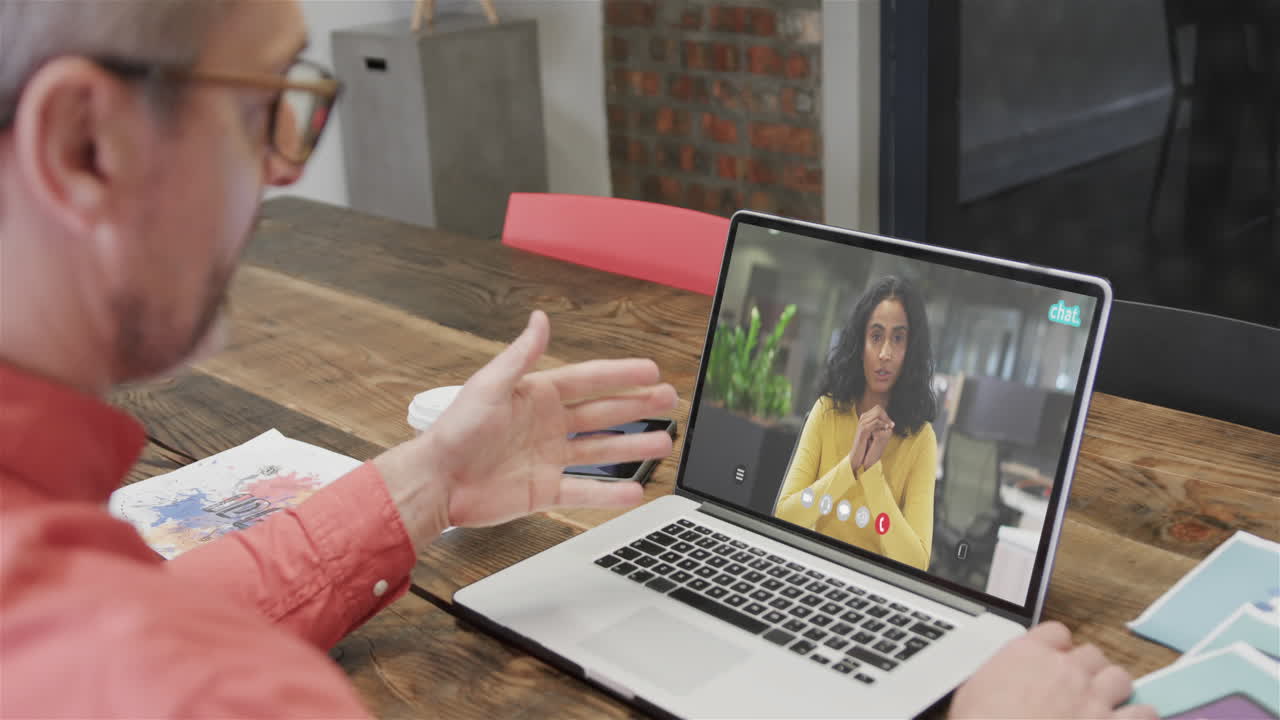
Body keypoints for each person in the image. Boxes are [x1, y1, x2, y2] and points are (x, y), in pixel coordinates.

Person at [0, 2, 1154, 718]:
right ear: (83, 143)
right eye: (264, 107)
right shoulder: (204, 689)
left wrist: (429, 481)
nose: (283, 170)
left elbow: (159, 614)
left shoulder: (79, 601)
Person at [775, 276, 938, 571]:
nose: (885, 353)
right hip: (813, 567)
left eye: (898, 339)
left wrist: (873, 474)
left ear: (911, 350)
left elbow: (915, 562)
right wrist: (850, 466)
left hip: (874, 582)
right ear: (860, 344)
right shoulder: (827, 411)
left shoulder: (921, 439)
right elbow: (785, 516)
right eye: (876, 336)